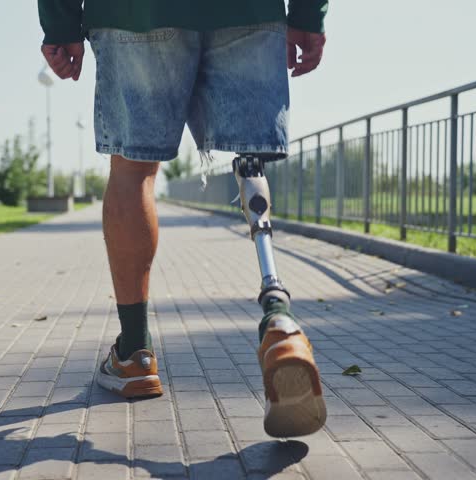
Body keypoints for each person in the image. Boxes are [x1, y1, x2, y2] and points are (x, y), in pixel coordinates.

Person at [38, 0, 329, 437]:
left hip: (136, 15)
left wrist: (60, 22)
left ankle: (135, 352)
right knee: (251, 156)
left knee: (133, 168)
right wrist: (308, 14)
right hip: (249, 10)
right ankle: (279, 318)